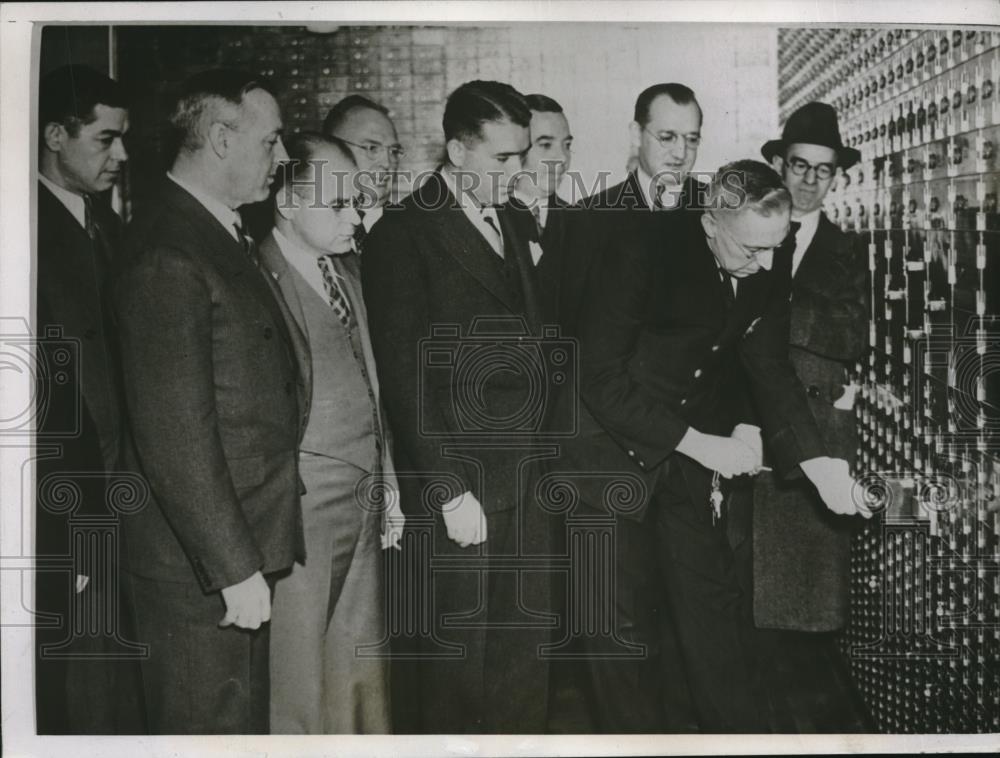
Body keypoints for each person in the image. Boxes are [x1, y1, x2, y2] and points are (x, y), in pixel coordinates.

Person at [570, 159, 871, 733]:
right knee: (621, 637)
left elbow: (766, 364)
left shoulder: (766, 252)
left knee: (714, 614)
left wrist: (819, 465)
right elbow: (598, 378)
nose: (764, 264)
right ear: (711, 223)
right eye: (751, 250)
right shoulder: (641, 248)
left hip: (688, 455)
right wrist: (701, 444)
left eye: (774, 249)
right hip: (606, 455)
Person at [113, 69, 305, 734]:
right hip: (198, 572)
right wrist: (233, 567)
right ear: (223, 139)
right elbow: (175, 435)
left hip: (232, 551)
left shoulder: (212, 229)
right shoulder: (169, 250)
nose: (282, 159)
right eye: (272, 141)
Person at [362, 80, 556, 733]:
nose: (518, 171)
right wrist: (447, 490)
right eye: (503, 158)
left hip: (528, 476)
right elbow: (403, 373)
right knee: (460, 665)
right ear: (455, 150)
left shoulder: (515, 220)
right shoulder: (403, 234)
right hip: (464, 486)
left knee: (525, 654)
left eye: (522, 155)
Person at [259, 133, 402, 733]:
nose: (355, 217)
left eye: (359, 203)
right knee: (297, 675)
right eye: (339, 204)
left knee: (359, 664)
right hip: (299, 511)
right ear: (289, 202)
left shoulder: (346, 273)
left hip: (364, 500)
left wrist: (389, 482)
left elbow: (372, 383)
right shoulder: (255, 276)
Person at [35, 63, 144, 735]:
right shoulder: (24, 236)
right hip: (70, 507)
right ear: (54, 134)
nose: (122, 155)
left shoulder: (105, 225)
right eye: (106, 139)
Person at [755, 102, 868, 631]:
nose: (809, 180)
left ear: (836, 178)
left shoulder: (850, 250)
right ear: (780, 165)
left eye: (823, 170)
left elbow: (852, 334)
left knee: (810, 597)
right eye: (800, 165)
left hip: (818, 429)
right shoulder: (750, 231)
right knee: (751, 587)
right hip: (753, 422)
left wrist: (775, 310)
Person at [510, 93, 574, 309]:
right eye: (546, 145)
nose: (563, 158)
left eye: (566, 145)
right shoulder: (489, 219)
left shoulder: (581, 222)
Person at [322, 94, 403, 242]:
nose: (387, 163)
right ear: (333, 148)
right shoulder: (309, 225)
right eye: (372, 148)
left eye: (393, 151)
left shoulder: (414, 228)